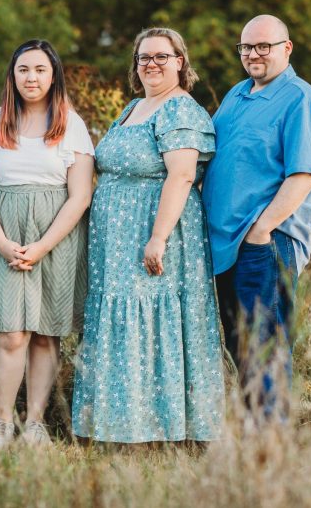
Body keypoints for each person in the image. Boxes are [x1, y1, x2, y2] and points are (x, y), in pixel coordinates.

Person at [72, 27, 224, 443]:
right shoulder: (134, 107)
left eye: (161, 56)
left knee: (153, 319)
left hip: (156, 231)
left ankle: (163, 425)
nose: (151, 64)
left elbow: (182, 174)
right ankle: (121, 423)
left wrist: (158, 237)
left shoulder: (179, 110)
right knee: (121, 317)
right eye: (144, 58)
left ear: (180, 61)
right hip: (116, 240)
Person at [202, 14, 311, 422]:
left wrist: (262, 230)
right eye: (246, 47)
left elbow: (305, 173)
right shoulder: (237, 95)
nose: (253, 54)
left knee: (266, 343)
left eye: (264, 46)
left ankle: (270, 441)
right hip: (226, 245)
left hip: (265, 245)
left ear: (286, 48)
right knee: (240, 343)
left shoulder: (300, 98)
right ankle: (253, 432)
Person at [0, 40, 95, 449]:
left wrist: (42, 245)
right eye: (23, 69)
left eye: (40, 70)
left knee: (46, 333)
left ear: (53, 75)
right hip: (3, 232)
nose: (31, 78)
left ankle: (37, 421)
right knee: (11, 334)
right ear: (12, 75)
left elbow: (79, 195)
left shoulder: (71, 125)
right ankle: (2, 422)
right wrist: (4, 243)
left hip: (56, 235)